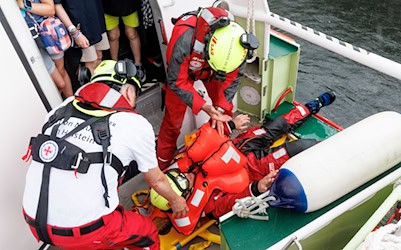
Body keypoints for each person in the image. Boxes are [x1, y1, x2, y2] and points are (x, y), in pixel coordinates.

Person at [22, 60, 188, 249]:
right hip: (83, 229)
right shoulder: (133, 123)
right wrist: (177, 201)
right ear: (128, 92)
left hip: (34, 220)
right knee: (147, 232)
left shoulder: (62, 108)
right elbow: (157, 180)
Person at [151, 91, 336, 227]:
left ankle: (313, 105)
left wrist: (232, 124)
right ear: (183, 197)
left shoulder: (183, 163)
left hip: (242, 144)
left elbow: (207, 137)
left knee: (279, 124)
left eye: (179, 174)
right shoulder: (208, 203)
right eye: (184, 182)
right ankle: (336, 147)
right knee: (301, 147)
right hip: (253, 168)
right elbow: (230, 203)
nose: (187, 176)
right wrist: (257, 187)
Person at [156, 6, 258, 169]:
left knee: (223, 113)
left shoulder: (239, 49)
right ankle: (162, 165)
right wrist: (205, 106)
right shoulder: (183, 39)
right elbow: (177, 81)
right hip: (183, 73)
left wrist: (218, 109)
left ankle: (217, 147)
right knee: (172, 123)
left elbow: (232, 80)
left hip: (214, 73)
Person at [18, 0, 73, 98]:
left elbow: (50, 10)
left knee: (61, 71)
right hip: (30, 43)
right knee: (58, 83)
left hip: (49, 33)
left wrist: (23, 5)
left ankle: (71, 102)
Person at [57, 0, 110, 75]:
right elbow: (57, 5)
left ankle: (101, 84)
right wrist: (74, 32)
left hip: (96, 18)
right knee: (91, 62)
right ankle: (94, 85)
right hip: (79, 26)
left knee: (99, 55)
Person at [102, 0, 146, 82]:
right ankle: (114, 66)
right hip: (108, 7)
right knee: (113, 36)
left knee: (132, 34)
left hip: (128, 5)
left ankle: (138, 64)